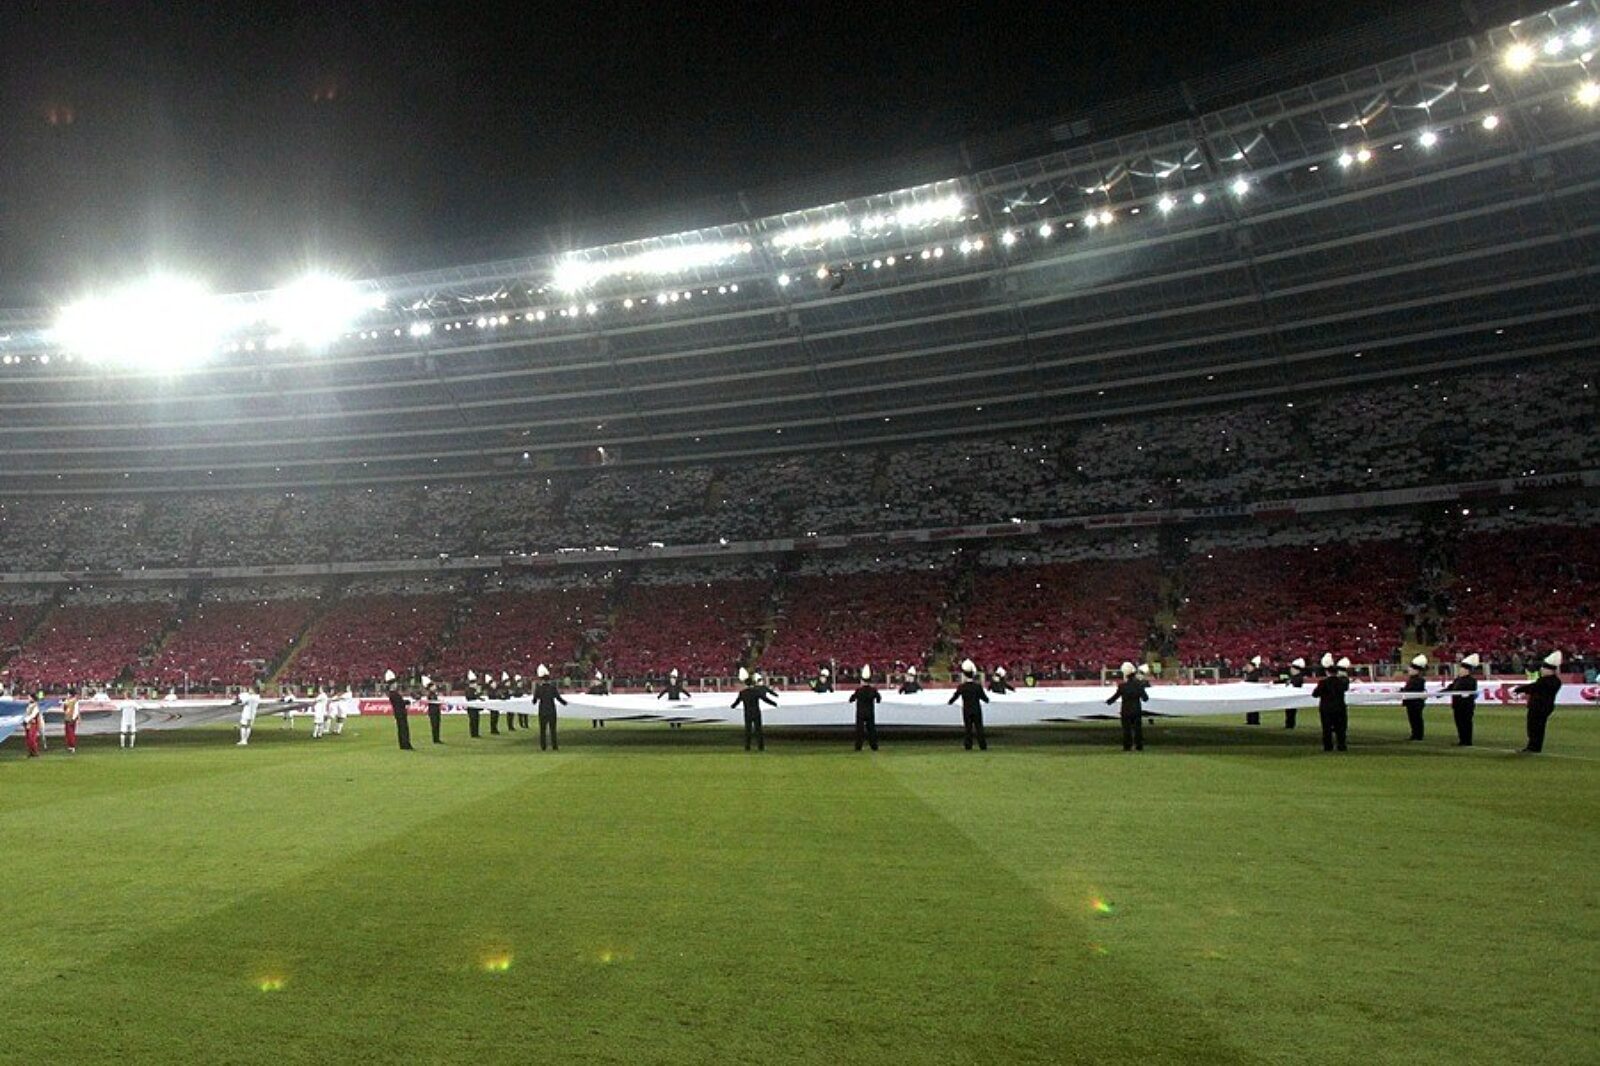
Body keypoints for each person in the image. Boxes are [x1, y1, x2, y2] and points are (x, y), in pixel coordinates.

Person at [1514, 651, 1564, 754]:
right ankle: (1535, 747)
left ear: (1549, 670)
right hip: (1546, 707)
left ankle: (1533, 747)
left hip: (1538, 707)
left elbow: (1533, 687)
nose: (1541, 670)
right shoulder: (1555, 681)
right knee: (1539, 727)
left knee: (1534, 727)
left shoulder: (1545, 681)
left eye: (1543, 668)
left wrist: (1518, 690)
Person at [947, 658, 989, 751]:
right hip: (977, 710)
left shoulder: (962, 687)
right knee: (979, 728)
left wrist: (949, 702)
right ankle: (982, 745)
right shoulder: (977, 687)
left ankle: (968, 745)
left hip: (967, 710)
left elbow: (954, 697)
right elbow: (985, 698)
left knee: (968, 729)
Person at [1106, 661, 1149, 751]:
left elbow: (1115, 697)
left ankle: (1127, 746)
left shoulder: (1122, 686)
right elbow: (1145, 698)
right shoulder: (1139, 685)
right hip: (1136, 710)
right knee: (1137, 729)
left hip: (1125, 710)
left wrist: (1107, 702)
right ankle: (1139, 746)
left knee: (1126, 730)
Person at [1312, 656, 1352, 752]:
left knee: (1327, 729)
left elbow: (1315, 694)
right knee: (1340, 729)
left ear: (1327, 672)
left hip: (1326, 709)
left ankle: (1328, 746)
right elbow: (1346, 686)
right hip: (1340, 708)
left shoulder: (1323, 683)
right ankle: (1341, 746)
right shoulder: (1342, 682)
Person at [732, 671, 777, 752]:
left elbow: (737, 702)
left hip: (747, 713)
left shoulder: (743, 693)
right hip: (756, 712)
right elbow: (765, 699)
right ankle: (760, 747)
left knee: (748, 730)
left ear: (745, 684)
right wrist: (774, 703)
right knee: (758, 730)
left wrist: (733, 706)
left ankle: (747, 747)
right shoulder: (756, 692)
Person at [1446, 654, 1479, 746]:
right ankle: (1462, 740)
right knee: (1459, 723)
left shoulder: (1471, 680)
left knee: (1466, 723)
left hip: (1466, 706)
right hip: (1457, 705)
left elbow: (1468, 691)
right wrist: (1439, 693)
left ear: (1466, 670)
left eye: (1461, 669)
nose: (1460, 670)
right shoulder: (1458, 680)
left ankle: (1467, 740)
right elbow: (1451, 687)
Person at [532, 664, 567, 751]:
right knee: (553, 729)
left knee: (542, 730)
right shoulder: (552, 688)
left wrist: (535, 698)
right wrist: (566, 703)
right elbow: (558, 698)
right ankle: (554, 746)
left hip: (542, 711)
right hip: (551, 710)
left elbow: (534, 701)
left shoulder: (539, 688)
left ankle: (543, 746)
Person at [850, 665, 882, 751]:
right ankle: (874, 746)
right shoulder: (873, 690)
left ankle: (858, 746)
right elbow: (879, 699)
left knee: (859, 730)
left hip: (860, 713)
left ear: (862, 681)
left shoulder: (859, 691)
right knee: (871, 730)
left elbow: (851, 699)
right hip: (870, 712)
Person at [1401, 654, 1429, 741]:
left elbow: (1411, 690)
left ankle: (1418, 735)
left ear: (1416, 671)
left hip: (1415, 703)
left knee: (1416, 719)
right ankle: (1415, 734)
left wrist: (1403, 691)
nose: (1409, 670)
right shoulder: (1413, 679)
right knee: (1413, 719)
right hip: (1412, 702)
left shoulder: (1419, 680)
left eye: (1411, 669)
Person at [385, 670, 414, 751]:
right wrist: (406, 702)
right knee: (404, 729)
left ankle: (403, 744)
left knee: (401, 728)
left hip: (398, 713)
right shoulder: (394, 694)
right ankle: (406, 744)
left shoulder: (393, 693)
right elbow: (400, 703)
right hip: (400, 713)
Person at [1276, 658, 1306, 729]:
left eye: (1292, 669)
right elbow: (1282, 680)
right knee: (1288, 711)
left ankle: (1290, 724)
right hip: (1290, 696)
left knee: (1291, 712)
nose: (1291, 670)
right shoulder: (1292, 677)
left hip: (1294, 697)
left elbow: (1295, 685)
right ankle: (1288, 724)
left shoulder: (1298, 678)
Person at [1243, 654, 1265, 725]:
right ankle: (1250, 720)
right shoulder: (1250, 674)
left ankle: (1254, 721)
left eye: (1249, 666)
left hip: (1254, 693)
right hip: (1250, 693)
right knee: (1249, 707)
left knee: (1254, 707)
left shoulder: (1255, 674)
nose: (1247, 668)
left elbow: (1251, 681)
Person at [423, 676, 444, 744]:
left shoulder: (434, 693)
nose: (435, 687)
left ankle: (437, 738)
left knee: (437, 724)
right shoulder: (430, 694)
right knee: (434, 725)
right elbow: (433, 701)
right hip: (433, 711)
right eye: (433, 686)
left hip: (436, 710)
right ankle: (435, 739)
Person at [464, 671, 483, 738]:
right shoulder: (468, 690)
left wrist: (480, 696)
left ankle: (476, 733)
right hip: (471, 707)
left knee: (476, 720)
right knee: (473, 720)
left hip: (476, 707)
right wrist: (477, 695)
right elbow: (470, 697)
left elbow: (477, 696)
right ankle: (473, 733)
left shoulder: (474, 690)